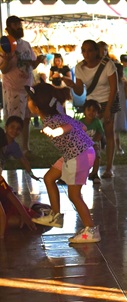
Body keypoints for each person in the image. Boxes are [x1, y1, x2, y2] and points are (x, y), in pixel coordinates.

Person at [25, 83, 100, 243]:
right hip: (76, 152)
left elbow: (66, 127)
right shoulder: (57, 115)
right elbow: (83, 126)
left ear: (37, 107)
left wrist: (56, 131)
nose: (27, 101)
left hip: (79, 155)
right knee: (49, 178)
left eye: (29, 99)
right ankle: (55, 217)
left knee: (74, 195)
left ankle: (91, 230)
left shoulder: (51, 122)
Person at [63, 40, 118, 179]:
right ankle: (92, 166)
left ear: (96, 51)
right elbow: (80, 90)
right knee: (89, 134)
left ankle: (109, 167)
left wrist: (108, 109)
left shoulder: (108, 65)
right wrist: (72, 85)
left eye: (90, 50)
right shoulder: (79, 67)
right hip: (92, 103)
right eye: (84, 50)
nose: (86, 54)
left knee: (108, 133)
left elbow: (114, 88)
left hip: (108, 100)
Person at [0, 15, 45, 153]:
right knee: (14, 121)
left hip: (27, 88)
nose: (19, 27)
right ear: (8, 28)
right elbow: (3, 69)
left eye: (19, 24)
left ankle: (25, 147)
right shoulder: (4, 46)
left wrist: (38, 60)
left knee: (26, 120)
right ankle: (9, 148)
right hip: (14, 89)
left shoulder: (26, 44)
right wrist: (7, 60)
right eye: (15, 25)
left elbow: (31, 65)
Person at [0, 116, 40, 181]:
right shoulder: (1, 135)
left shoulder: (14, 146)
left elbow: (23, 160)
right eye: (12, 127)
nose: (15, 131)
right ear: (6, 127)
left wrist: (31, 174)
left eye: (18, 129)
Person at [80, 99, 104, 184]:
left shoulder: (97, 122)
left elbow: (100, 133)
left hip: (94, 143)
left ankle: (95, 173)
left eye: (94, 111)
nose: (91, 113)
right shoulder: (81, 122)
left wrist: (94, 142)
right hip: (83, 144)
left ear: (97, 113)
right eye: (89, 110)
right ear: (84, 111)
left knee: (97, 157)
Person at [115, 63, 127, 153]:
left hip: (115, 107)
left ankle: (118, 147)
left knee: (115, 129)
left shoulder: (111, 83)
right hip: (124, 106)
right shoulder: (124, 83)